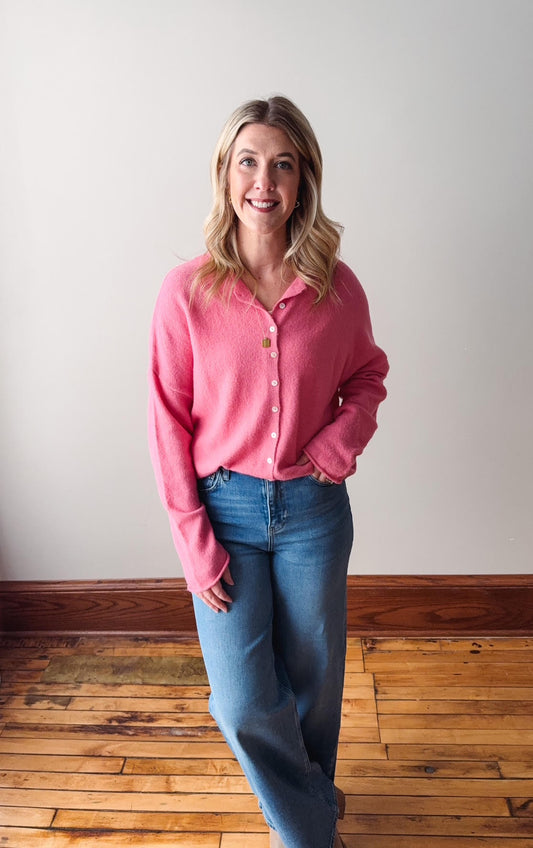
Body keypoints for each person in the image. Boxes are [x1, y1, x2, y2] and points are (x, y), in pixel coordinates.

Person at [148, 95, 388, 848]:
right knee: (243, 698)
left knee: (314, 685)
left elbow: (368, 377)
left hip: (314, 514)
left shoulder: (334, 286)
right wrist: (192, 542)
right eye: (248, 161)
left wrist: (335, 446)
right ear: (224, 176)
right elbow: (167, 423)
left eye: (282, 164)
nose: (264, 180)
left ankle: (306, 799)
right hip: (225, 513)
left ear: (302, 180)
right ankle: (313, 829)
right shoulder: (185, 292)